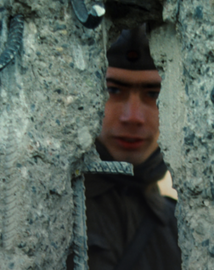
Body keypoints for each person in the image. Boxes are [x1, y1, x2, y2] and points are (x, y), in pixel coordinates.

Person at [67, 25, 182, 270]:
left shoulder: (179, 221)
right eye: (114, 90)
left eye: (153, 93)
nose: (133, 116)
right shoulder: (62, 206)